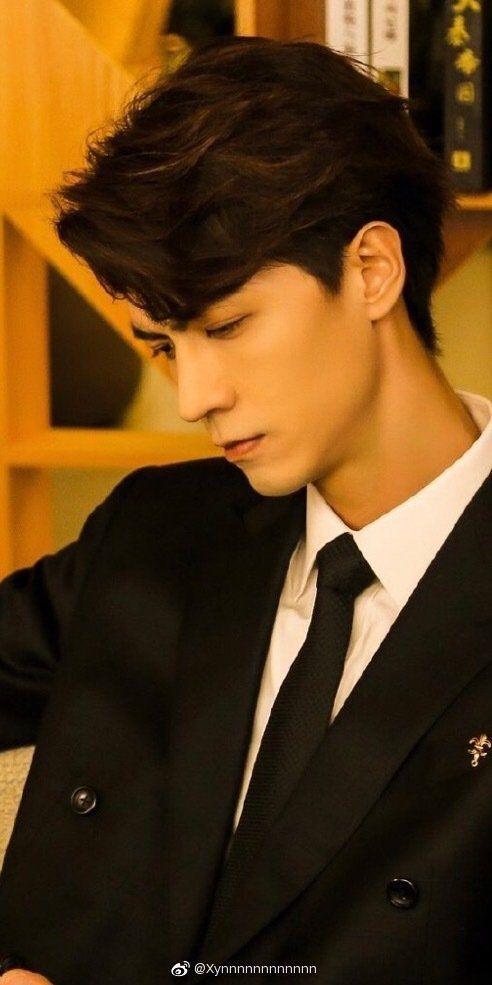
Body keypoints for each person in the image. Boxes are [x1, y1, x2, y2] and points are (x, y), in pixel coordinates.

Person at [0, 35, 491, 985]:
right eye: (163, 346)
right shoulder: (156, 532)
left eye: (226, 326)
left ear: (372, 268)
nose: (194, 396)